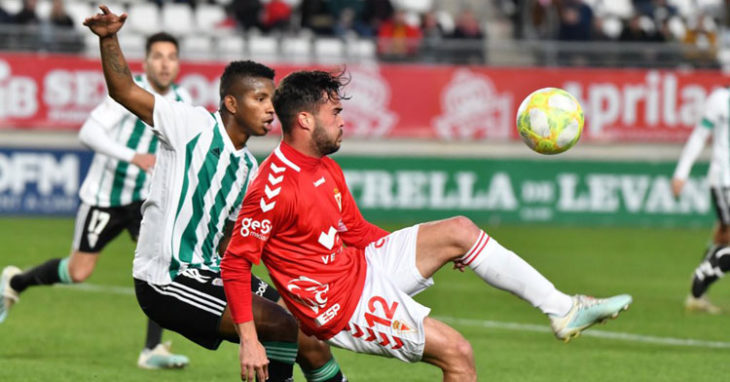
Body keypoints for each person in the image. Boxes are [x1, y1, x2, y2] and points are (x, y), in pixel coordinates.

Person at [221, 69, 633, 381]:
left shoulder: (325, 168)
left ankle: (564, 310)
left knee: (459, 231)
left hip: (358, 270)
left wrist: (435, 252)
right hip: (339, 307)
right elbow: (236, 265)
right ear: (306, 120)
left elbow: (357, 232)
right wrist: (251, 341)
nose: (344, 120)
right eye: (336, 112)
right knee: (458, 353)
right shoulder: (274, 187)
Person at [76, 6, 347, 382]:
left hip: (209, 272)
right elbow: (124, 90)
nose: (271, 109)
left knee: (308, 333)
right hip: (166, 279)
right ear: (232, 103)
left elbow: (229, 246)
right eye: (260, 99)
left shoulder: (250, 169)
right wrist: (109, 38)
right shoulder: (189, 124)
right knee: (281, 326)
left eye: (272, 100)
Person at [0, 31, 192, 370]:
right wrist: (133, 156)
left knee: (163, 264)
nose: (165, 64)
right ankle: (14, 282)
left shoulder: (181, 99)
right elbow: (88, 132)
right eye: (158, 56)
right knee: (78, 271)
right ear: (146, 62)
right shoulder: (129, 91)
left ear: (178, 64)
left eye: (171, 57)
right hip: (105, 197)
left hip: (145, 201)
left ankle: (152, 350)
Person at [672, 86, 730, 314]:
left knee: (723, 235)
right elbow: (699, 135)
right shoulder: (721, 99)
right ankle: (701, 278)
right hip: (725, 180)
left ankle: (698, 291)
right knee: (727, 234)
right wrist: (681, 173)